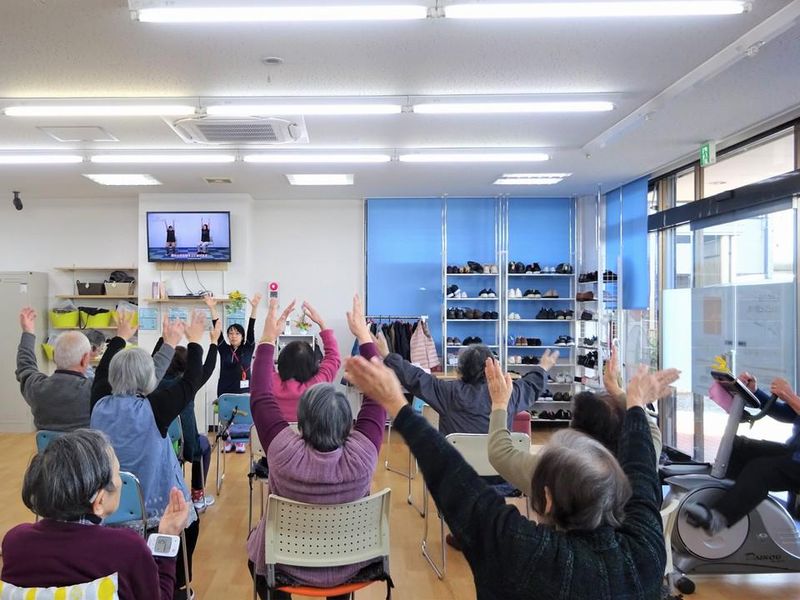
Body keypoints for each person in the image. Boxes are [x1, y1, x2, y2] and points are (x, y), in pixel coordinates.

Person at [345, 356, 667, 600]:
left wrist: (397, 405)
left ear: (548, 497)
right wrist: (633, 401)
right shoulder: (647, 552)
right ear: (618, 491)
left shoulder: (522, 552)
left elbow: (456, 479)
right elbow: (641, 465)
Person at [247, 295, 386, 600]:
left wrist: (268, 336)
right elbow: (379, 394)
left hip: (283, 563)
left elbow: (260, 397)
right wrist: (363, 335)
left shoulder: (283, 453)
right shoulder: (362, 456)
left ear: (302, 421)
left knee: (255, 548)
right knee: (337, 570)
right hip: (348, 561)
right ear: (347, 423)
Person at [90, 311, 206, 600]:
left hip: (107, 509)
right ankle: (177, 586)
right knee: (190, 524)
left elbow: (105, 369)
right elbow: (191, 381)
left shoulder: (99, 400)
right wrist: (194, 342)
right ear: (148, 379)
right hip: (155, 513)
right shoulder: (155, 408)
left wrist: (121, 338)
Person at [1, 429, 188, 599]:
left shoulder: (15, 543)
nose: (120, 482)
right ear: (99, 502)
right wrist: (167, 537)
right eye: (117, 473)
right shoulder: (126, 548)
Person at [488, 348, 679, 497]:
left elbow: (499, 453)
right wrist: (622, 393)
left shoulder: (555, 472)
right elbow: (647, 429)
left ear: (575, 431)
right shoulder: (642, 461)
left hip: (565, 547)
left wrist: (499, 402)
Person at [14, 307, 173, 432]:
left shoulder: (36, 388)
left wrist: (28, 332)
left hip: (49, 466)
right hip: (93, 467)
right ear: (85, 359)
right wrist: (169, 345)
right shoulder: (96, 391)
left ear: (54, 355)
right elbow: (145, 381)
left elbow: (25, 365)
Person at [685, 371, 800, 536]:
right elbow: (788, 413)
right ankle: (721, 500)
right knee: (740, 447)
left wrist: (788, 395)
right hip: (794, 453)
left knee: (761, 469)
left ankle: (718, 519)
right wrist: (755, 392)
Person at [380, 341, 554, 435]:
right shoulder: (508, 392)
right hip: (500, 476)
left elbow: (415, 377)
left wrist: (388, 355)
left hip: (456, 478)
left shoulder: (447, 392)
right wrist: (542, 368)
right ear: (491, 368)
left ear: (460, 369)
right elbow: (531, 385)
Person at [153, 319, 222, 511]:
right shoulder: (187, 386)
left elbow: (154, 360)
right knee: (204, 445)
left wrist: (166, 339)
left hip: (158, 445)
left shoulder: (151, 382)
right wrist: (214, 341)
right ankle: (197, 494)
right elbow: (207, 368)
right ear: (186, 368)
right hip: (186, 447)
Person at [205, 291, 262, 452]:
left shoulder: (248, 347)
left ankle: (240, 441)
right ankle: (228, 439)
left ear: (242, 336)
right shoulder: (224, 349)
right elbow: (217, 328)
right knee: (227, 415)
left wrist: (255, 308)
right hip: (225, 388)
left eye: (237, 333)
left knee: (242, 415)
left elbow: (251, 327)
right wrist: (212, 308)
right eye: (231, 333)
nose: (233, 335)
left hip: (244, 389)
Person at [272, 299, 341, 422]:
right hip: (312, 441)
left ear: (281, 361)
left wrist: (271, 336)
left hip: (276, 440)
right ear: (313, 363)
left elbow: (262, 363)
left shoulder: (271, 382)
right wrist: (321, 323)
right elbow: (333, 357)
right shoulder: (317, 384)